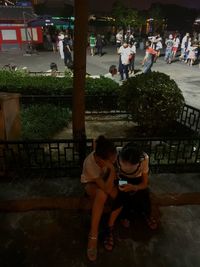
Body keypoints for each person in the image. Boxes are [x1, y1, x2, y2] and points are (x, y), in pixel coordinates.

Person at [81, 136, 122, 261]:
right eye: (112, 161)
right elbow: (105, 188)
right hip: (90, 184)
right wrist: (112, 169)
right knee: (102, 194)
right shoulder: (90, 164)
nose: (114, 161)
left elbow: (115, 180)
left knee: (121, 196)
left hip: (108, 181)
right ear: (100, 159)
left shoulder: (111, 156)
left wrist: (125, 183)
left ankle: (110, 226)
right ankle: (93, 235)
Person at [115, 143, 159, 230]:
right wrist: (119, 182)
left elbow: (144, 183)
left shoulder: (144, 159)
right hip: (121, 178)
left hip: (137, 179)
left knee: (144, 193)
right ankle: (124, 216)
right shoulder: (116, 153)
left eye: (131, 165)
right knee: (122, 194)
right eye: (124, 163)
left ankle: (146, 214)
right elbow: (112, 171)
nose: (127, 166)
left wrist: (134, 187)